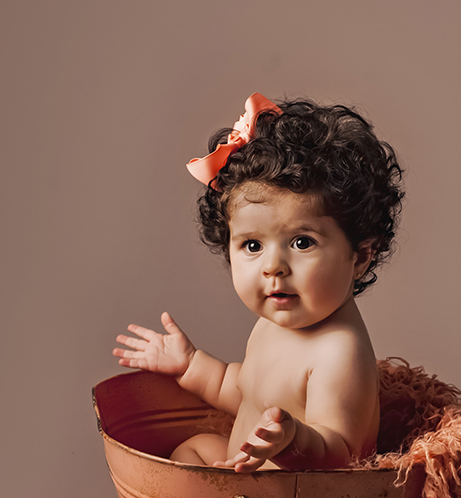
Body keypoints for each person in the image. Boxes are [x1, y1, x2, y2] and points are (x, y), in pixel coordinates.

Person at [113, 93, 403, 472]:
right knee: (197, 449)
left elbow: (340, 452)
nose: (274, 267)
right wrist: (190, 366)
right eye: (252, 245)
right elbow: (244, 392)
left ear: (360, 256)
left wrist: (294, 440)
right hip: (245, 489)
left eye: (302, 243)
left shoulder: (338, 352)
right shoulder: (271, 324)